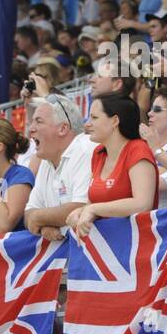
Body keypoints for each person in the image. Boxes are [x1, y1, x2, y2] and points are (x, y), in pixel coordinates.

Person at [67, 95, 158, 237]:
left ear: (115, 121)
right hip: (106, 246)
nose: (87, 124)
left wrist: (92, 209)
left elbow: (143, 204)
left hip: (134, 245)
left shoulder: (138, 149)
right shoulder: (98, 153)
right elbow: (93, 203)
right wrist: (80, 212)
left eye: (94, 118)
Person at [23, 95, 95, 242]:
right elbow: (28, 215)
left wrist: (39, 218)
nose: (31, 129)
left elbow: (80, 208)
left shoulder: (86, 149)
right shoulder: (47, 160)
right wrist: (44, 227)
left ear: (63, 128)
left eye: (39, 121)